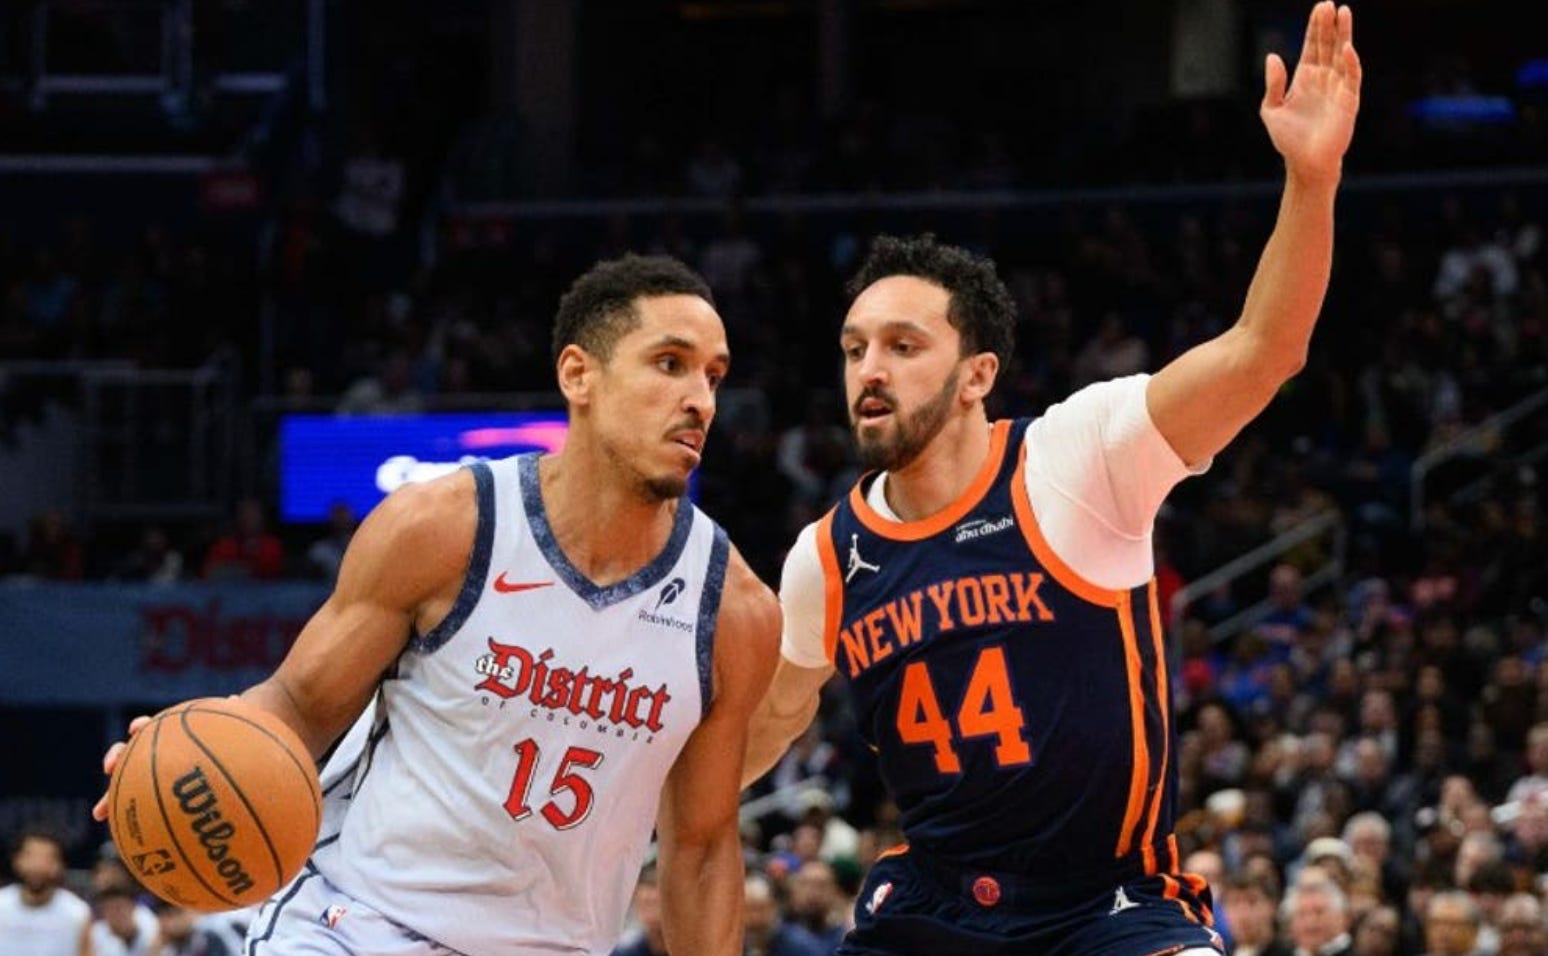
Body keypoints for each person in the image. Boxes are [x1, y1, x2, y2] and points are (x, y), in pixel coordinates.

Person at [741, 3, 1362, 953]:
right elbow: (774, 719)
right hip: (934, 912)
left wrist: (1311, 181)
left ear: (976, 376)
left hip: (1105, 909)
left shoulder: (1080, 453)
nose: (869, 370)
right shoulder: (825, 557)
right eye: (855, 347)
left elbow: (1263, 350)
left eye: (903, 346)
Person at [95, 254, 781, 956]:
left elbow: (700, 847)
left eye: (713, 376)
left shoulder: (734, 612)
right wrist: (183, 758)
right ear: (579, 375)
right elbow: (298, 705)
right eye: (670, 364)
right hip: (360, 926)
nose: (701, 400)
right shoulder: (445, 528)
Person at [0, 829, 93, 956]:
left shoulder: (77, 913)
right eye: (31, 856)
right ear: (17, 860)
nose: (38, 865)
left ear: (60, 865)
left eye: (47, 858)